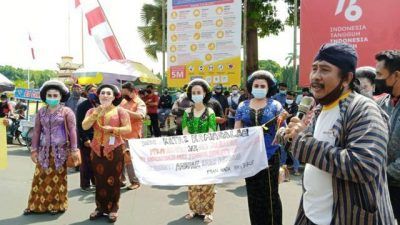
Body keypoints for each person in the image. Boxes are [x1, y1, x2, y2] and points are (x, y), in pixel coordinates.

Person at [282, 43, 395, 224]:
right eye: (314, 69)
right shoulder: (320, 109)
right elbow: (311, 151)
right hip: (311, 215)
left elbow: (363, 166)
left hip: (350, 217)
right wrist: (291, 136)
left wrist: (302, 141)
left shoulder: (364, 110)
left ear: (346, 78)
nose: (316, 76)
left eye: (325, 70)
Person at [235, 70, 283, 225]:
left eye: (263, 85)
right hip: (250, 156)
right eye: (256, 85)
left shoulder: (276, 106)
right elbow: (237, 131)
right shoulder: (242, 106)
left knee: (270, 194)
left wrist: (282, 164)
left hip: (271, 154)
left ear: (269, 87)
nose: (259, 87)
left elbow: (283, 130)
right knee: (253, 194)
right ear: (251, 87)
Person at [24, 80, 79, 215]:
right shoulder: (41, 112)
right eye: (50, 95)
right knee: (40, 177)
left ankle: (57, 205)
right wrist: (34, 150)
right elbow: (37, 131)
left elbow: (72, 131)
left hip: (60, 151)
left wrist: (74, 149)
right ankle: (35, 205)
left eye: (55, 95)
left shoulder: (67, 112)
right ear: (45, 96)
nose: (52, 98)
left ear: (61, 97)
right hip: (43, 151)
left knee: (57, 178)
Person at [82, 84, 131, 223]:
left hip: (114, 149)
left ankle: (113, 208)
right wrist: (97, 111)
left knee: (114, 180)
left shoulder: (120, 111)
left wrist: (114, 129)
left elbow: (128, 128)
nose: (105, 95)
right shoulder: (92, 111)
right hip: (97, 149)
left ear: (114, 96)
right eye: (102, 92)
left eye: (108, 93)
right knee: (98, 180)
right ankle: (100, 208)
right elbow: (85, 126)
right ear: (98, 95)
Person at [182, 78, 217, 224]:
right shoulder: (187, 112)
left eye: (199, 92)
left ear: (204, 94)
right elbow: (184, 131)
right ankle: (193, 209)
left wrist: (202, 145)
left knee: (207, 182)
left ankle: (208, 212)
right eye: (194, 92)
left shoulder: (210, 112)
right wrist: (192, 145)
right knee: (193, 182)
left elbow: (211, 131)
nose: (196, 94)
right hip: (191, 152)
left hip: (207, 151)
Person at [375, 50, 400, 221]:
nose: (376, 79)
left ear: (396, 75)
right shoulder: (381, 104)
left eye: (379, 74)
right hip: (383, 187)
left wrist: (382, 175)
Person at [120, 82, 146, 190]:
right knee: (120, 158)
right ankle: (121, 180)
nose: (124, 95)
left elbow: (141, 116)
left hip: (133, 136)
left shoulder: (139, 103)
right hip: (120, 135)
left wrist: (125, 112)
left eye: (126, 93)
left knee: (130, 160)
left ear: (133, 92)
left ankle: (135, 181)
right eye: (123, 93)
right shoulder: (123, 101)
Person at [76, 84, 98, 192]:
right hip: (86, 137)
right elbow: (80, 124)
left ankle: (95, 182)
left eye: (95, 90)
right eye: (91, 91)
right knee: (86, 162)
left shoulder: (98, 104)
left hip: (97, 137)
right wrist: (85, 139)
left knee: (95, 161)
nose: (94, 92)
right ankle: (85, 184)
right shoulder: (82, 106)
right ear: (87, 92)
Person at [282, 91, 300, 176]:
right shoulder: (283, 105)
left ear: (294, 98)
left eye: (290, 98)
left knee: (293, 150)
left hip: (293, 130)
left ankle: (296, 169)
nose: (288, 99)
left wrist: (289, 115)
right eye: (287, 98)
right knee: (283, 150)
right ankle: (282, 169)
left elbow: (296, 116)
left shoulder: (296, 106)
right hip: (284, 130)